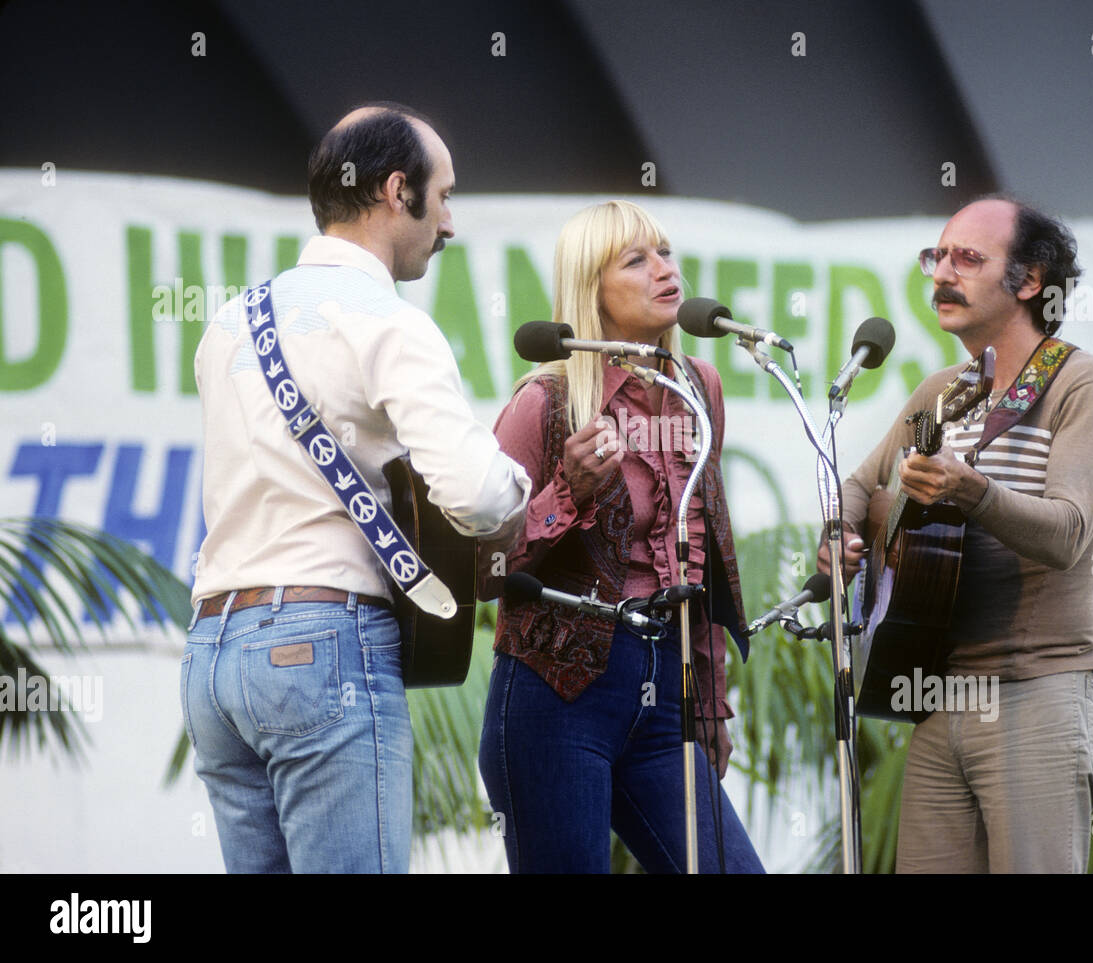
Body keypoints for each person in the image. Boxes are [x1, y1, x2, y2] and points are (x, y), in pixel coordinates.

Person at [182, 103, 530, 873]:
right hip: (320, 645)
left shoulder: (229, 324)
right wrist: (526, 482)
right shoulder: (388, 321)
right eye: (443, 199)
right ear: (396, 191)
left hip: (212, 654)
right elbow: (476, 493)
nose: (450, 225)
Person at [823, 196, 1093, 873]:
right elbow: (856, 484)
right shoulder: (940, 390)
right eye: (937, 256)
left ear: (1028, 280)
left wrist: (976, 492)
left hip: (1037, 690)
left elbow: (1069, 533)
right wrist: (841, 534)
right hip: (937, 692)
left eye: (968, 258)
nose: (941, 275)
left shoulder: (1083, 384)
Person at [477, 200, 764, 873]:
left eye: (665, 252)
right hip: (557, 696)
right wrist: (566, 494)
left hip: (665, 689)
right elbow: (483, 568)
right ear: (591, 289)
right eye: (636, 260)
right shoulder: (544, 402)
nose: (665, 270)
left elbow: (701, 552)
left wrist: (710, 701)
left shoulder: (700, 386)